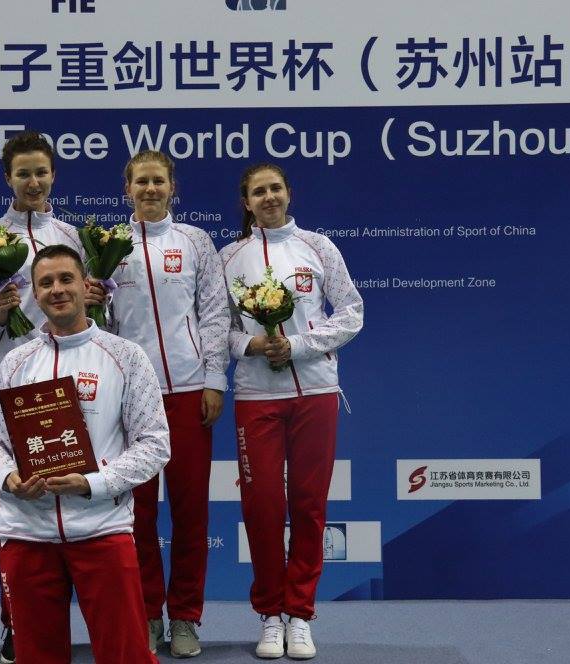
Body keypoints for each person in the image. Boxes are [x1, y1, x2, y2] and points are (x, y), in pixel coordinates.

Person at [0, 244, 170, 664]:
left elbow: (154, 444)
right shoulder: (15, 362)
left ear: (85, 285)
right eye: (45, 283)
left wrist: (92, 484)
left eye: (66, 279)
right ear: (35, 294)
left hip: (102, 529)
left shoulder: (126, 357)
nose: (57, 289)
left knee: (126, 656)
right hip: (26, 533)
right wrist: (8, 479)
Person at [0, 131, 104, 664]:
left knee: (73, 491)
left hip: (67, 379)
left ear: (53, 177)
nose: (32, 182)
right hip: (6, 379)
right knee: (11, 500)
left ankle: (88, 617)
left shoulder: (71, 235)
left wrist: (97, 296)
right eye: (22, 173)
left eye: (41, 172)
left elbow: (87, 314)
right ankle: (16, 622)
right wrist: (1, 313)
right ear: (7, 178)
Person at [220, 163, 363, 660]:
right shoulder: (229, 257)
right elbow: (219, 331)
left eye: (274, 188)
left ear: (288, 193)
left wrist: (299, 346)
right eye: (258, 191)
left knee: (308, 505)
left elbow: (351, 312)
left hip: (317, 392)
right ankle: (269, 613)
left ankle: (300, 613)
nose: (268, 197)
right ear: (246, 202)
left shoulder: (319, 247)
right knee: (261, 508)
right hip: (256, 396)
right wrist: (254, 346)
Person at [110, 150, 229, 657]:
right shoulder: (108, 245)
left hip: (187, 392)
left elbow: (216, 314)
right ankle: (147, 612)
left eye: (159, 181)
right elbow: (104, 323)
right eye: (142, 182)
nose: (151, 189)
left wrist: (214, 378)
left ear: (172, 187)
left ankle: (185, 617)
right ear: (127, 189)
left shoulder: (196, 241)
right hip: (132, 397)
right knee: (136, 514)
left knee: (190, 511)